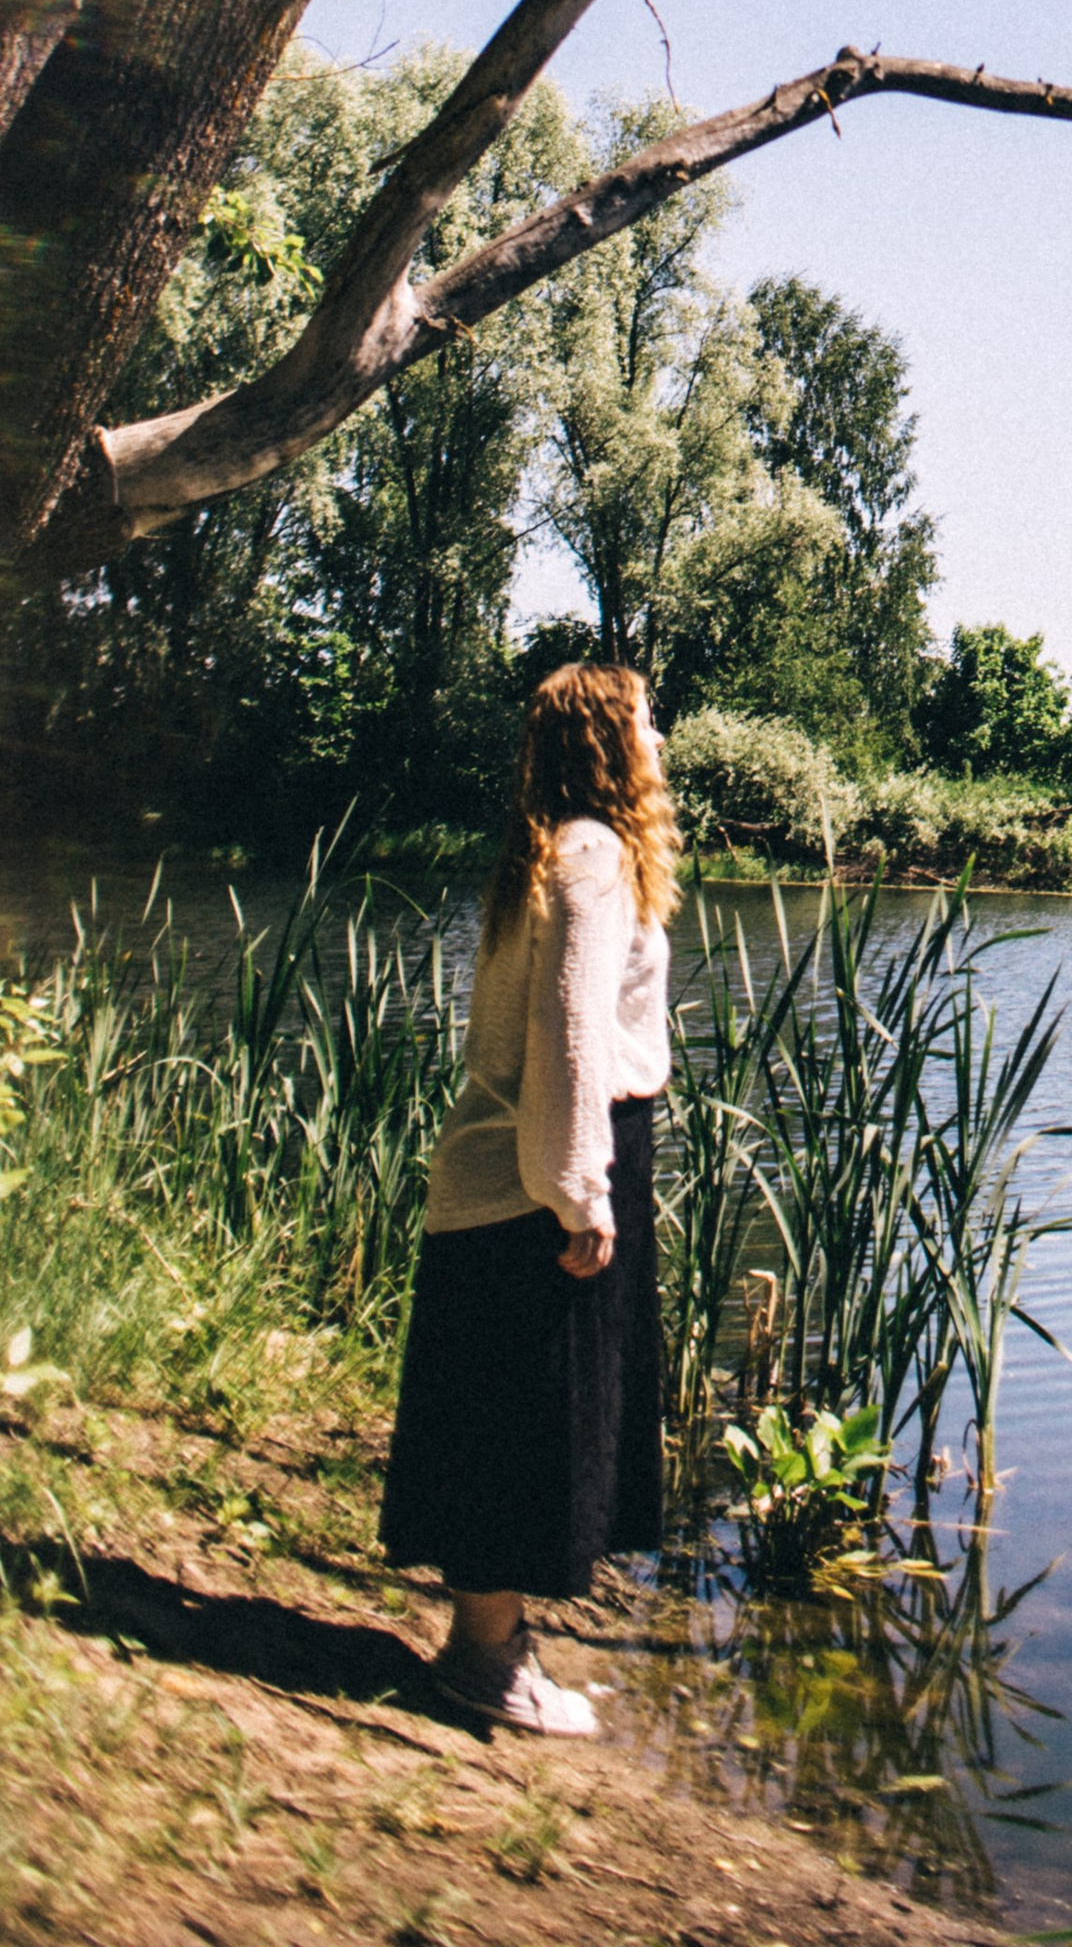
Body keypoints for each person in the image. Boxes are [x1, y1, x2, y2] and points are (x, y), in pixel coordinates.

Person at [380, 657, 677, 1733]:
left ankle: (496, 1643)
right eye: (645, 722)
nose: (658, 740)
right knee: (523, 1419)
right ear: (607, 741)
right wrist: (577, 1191)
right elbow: (571, 1033)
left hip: (519, 1169)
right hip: (541, 1176)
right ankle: (485, 1663)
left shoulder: (546, 852)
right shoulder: (595, 855)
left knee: (503, 1409)